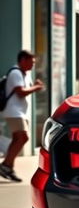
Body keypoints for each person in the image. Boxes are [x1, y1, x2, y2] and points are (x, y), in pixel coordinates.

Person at [0, 50, 44, 182]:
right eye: (31, 62)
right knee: (23, 137)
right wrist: (36, 87)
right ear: (23, 60)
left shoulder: (25, 74)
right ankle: (6, 165)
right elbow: (20, 92)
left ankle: (8, 167)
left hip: (19, 112)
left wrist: (34, 85)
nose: (33, 65)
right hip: (13, 112)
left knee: (18, 139)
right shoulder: (15, 73)